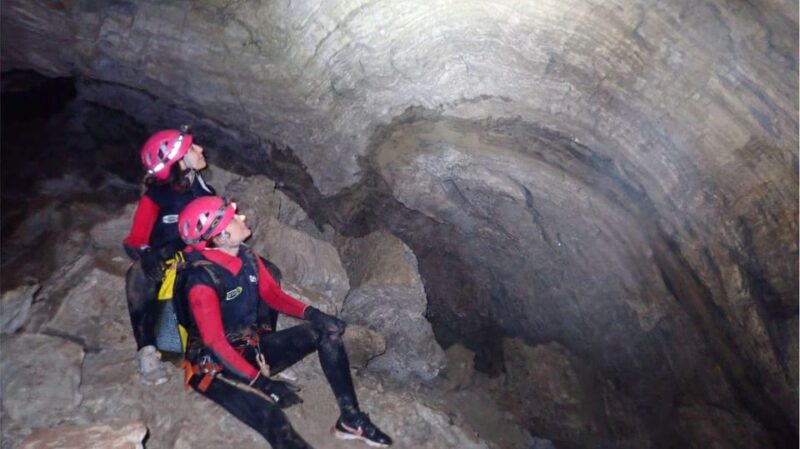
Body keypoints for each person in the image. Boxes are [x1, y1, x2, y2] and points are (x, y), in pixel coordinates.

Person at [176, 195, 393, 448]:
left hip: (251, 350)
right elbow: (214, 342)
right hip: (215, 368)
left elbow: (272, 295)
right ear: (219, 236)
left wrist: (314, 315)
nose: (241, 217)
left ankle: (351, 419)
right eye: (233, 218)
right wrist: (263, 384)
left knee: (326, 333)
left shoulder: (246, 257)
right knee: (272, 418)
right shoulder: (201, 280)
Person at [123, 127, 215, 385]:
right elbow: (136, 238)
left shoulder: (204, 190)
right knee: (138, 273)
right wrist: (149, 255)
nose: (200, 149)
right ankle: (147, 350)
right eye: (192, 147)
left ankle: (258, 348)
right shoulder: (156, 197)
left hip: (198, 259)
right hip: (169, 265)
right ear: (177, 160)